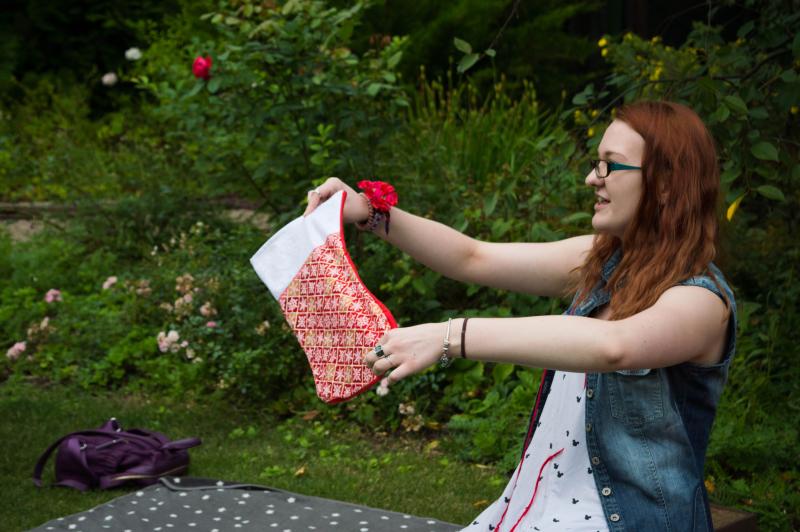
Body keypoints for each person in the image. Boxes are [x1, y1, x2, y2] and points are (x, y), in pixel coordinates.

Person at [303, 100, 736, 531]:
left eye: (610, 165)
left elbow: (613, 346)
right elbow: (473, 257)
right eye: (596, 163)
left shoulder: (701, 301)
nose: (592, 178)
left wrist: (450, 337)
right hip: (534, 512)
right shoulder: (602, 263)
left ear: (665, 183)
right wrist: (370, 211)